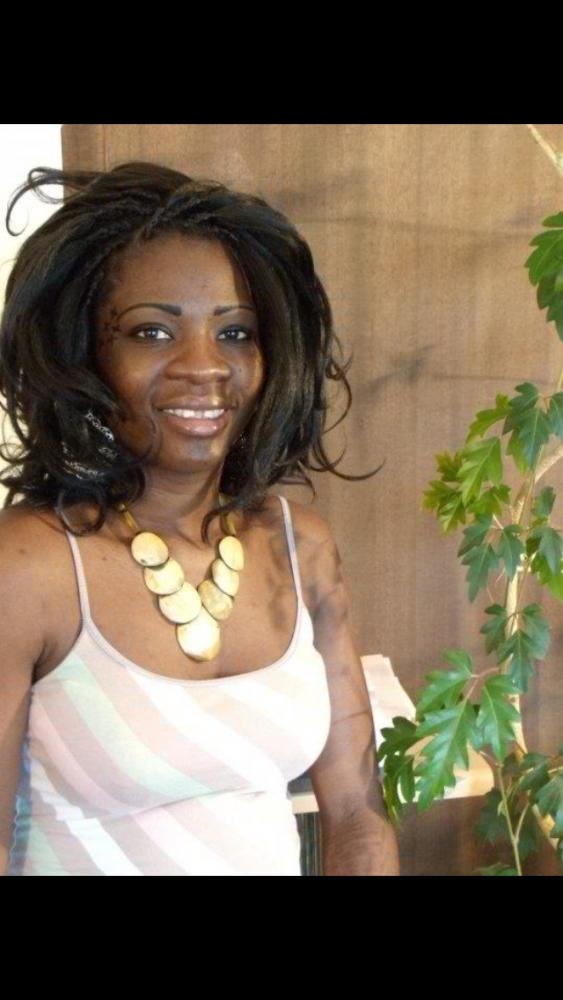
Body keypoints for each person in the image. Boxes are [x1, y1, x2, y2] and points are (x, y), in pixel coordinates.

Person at [0, 162, 399, 876]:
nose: (205, 366)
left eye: (236, 332)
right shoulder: (31, 565)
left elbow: (355, 817)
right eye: (152, 332)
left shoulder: (299, 545)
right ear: (86, 355)